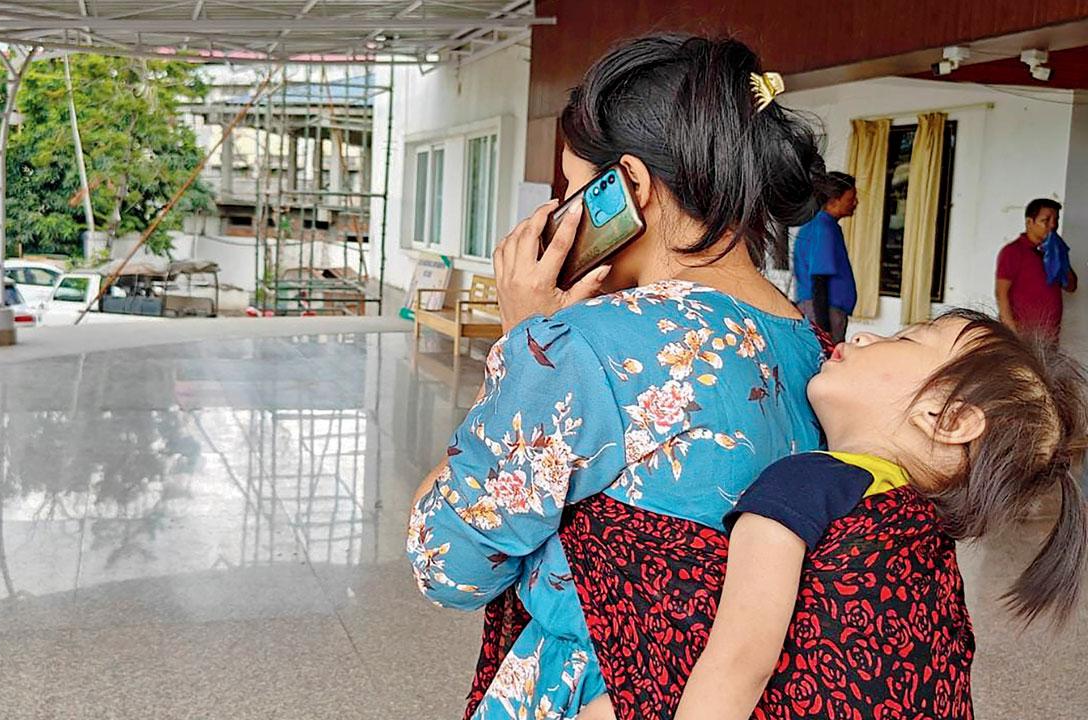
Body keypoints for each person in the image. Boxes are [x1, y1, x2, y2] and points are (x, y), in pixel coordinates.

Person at [406, 34, 828, 720]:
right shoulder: (807, 342)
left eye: (575, 187)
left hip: (600, 692)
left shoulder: (582, 346)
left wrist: (525, 349)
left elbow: (450, 564)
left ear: (630, 186)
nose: (565, 211)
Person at [583, 309, 1083, 720]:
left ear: (947, 418)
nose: (864, 335)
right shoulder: (917, 521)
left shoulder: (804, 483)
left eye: (907, 339)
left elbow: (740, 663)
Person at [996, 198, 1078, 342]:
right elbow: (1001, 294)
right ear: (1029, 222)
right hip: (1023, 336)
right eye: (1046, 220)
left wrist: (1061, 259)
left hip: (1050, 337)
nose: (1052, 225)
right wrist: (1012, 332)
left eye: (1056, 220)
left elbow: (1071, 286)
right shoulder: (1013, 251)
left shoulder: (1053, 252)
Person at [792, 171, 858, 341]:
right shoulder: (824, 228)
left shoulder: (822, 225)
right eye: (851, 199)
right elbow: (819, 278)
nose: (855, 203)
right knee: (826, 361)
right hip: (823, 310)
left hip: (824, 308)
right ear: (833, 200)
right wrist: (824, 327)